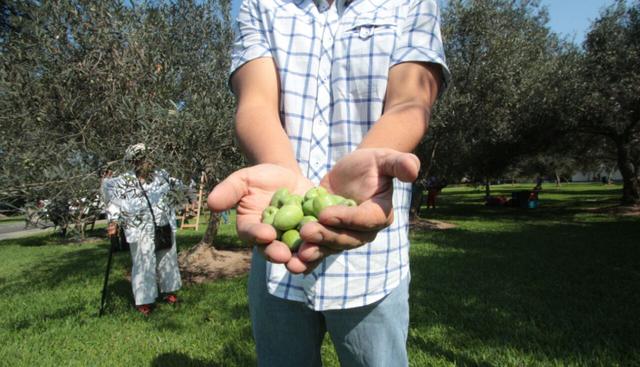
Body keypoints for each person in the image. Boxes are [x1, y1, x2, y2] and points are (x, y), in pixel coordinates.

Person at [208, 0, 450, 365]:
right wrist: (281, 173)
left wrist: (368, 166)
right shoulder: (262, 4)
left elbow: (411, 100)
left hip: (374, 265)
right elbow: (255, 102)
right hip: (277, 265)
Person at [102, 144, 184, 315]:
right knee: (143, 263)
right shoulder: (125, 181)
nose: (147, 162)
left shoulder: (162, 176)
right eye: (142, 158)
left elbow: (180, 187)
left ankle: (169, 292)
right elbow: (114, 201)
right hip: (140, 228)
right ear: (135, 161)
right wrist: (113, 221)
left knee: (167, 259)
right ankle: (144, 302)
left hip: (163, 224)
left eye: (148, 158)